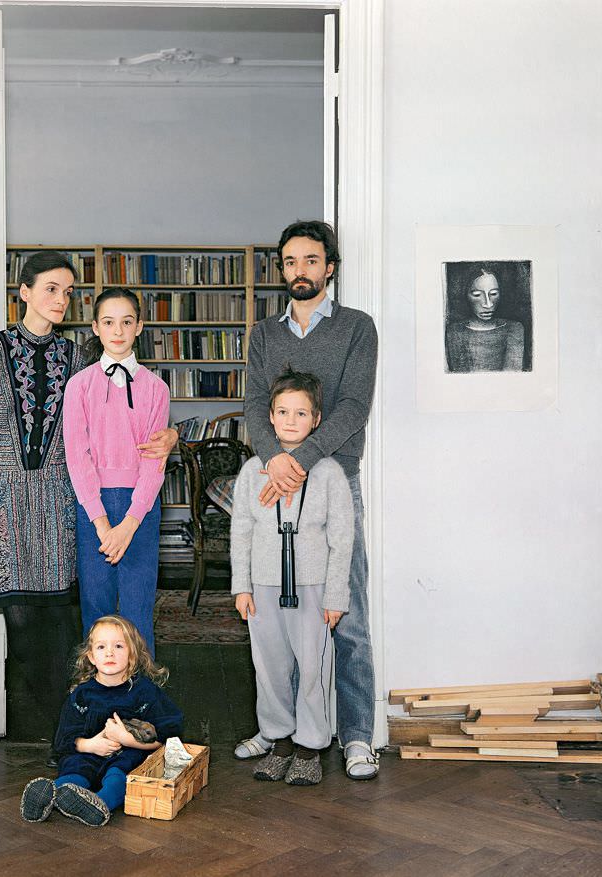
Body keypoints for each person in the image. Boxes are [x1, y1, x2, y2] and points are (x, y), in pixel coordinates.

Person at [0, 252, 177, 764]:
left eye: (68, 291)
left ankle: (94, 729)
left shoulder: (79, 359)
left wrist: (171, 435)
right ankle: (42, 735)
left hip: (59, 499)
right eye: (51, 288)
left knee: (67, 620)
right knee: (19, 617)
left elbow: (121, 417)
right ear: (23, 292)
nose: (60, 299)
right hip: (1, 498)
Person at [237, 219, 380, 781]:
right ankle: (286, 733)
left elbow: (353, 407)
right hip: (274, 485)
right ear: (283, 269)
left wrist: (301, 462)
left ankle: (358, 735)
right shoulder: (263, 335)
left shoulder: (357, 328)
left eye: (312, 260)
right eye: (291, 261)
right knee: (277, 619)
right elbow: (254, 406)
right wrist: (276, 459)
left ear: (330, 268)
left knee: (341, 612)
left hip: (331, 485)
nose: (301, 270)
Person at [232, 369, 352, 785]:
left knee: (313, 667)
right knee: (268, 666)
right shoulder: (253, 471)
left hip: (313, 586)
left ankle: (311, 745)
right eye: (282, 411)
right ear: (269, 416)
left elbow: (342, 540)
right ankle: (279, 738)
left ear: (316, 420)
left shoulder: (330, 474)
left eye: (300, 413)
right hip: (263, 585)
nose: (290, 420)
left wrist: (336, 595)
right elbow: (241, 530)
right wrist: (241, 586)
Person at [63, 288, 170, 656]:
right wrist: (103, 523)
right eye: (109, 322)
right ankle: (98, 705)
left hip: (140, 507)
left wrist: (129, 523)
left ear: (140, 326)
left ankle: (140, 703)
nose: (118, 331)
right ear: (95, 327)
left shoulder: (157, 389)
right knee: (97, 610)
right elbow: (78, 458)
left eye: (127, 322)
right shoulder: (79, 386)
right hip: (94, 509)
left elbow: (154, 462)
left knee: (139, 611)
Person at [18, 615, 183, 827]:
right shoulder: (82, 695)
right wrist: (89, 745)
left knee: (121, 772)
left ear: (132, 655)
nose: (110, 653)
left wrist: (127, 739)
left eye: (119, 646)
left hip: (128, 754)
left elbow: (168, 735)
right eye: (102, 647)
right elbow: (64, 739)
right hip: (89, 753)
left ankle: (99, 803)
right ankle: (53, 794)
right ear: (91, 657)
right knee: (75, 765)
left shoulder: (145, 692)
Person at [444, 265, 525, 372]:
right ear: (465, 294)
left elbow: (512, 375)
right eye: (477, 295)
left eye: (493, 294)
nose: (488, 304)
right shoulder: (455, 331)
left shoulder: (514, 329)